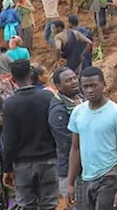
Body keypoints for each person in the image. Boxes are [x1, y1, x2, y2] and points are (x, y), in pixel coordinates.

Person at [66, 67, 117, 210]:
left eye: (94, 85)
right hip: (85, 177)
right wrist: (70, 183)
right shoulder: (78, 112)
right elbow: (75, 148)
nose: (89, 90)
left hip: (109, 176)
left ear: (103, 84)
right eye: (85, 86)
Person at [1, 59, 59, 210]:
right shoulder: (47, 98)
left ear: (13, 79)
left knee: (27, 205)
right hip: (49, 160)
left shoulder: (9, 104)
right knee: (49, 204)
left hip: (23, 165)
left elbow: (9, 140)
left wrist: (7, 168)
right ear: (31, 74)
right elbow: (56, 129)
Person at [48, 67, 82, 201]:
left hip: (89, 167)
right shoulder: (58, 111)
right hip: (70, 170)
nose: (74, 82)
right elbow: (67, 142)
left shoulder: (84, 99)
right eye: (68, 80)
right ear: (58, 87)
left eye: (74, 78)